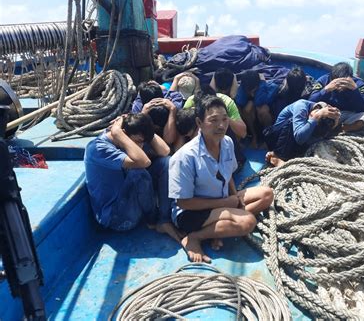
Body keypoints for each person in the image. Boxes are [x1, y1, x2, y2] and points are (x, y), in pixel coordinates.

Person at [169, 95, 274, 263]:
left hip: (222, 198)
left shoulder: (227, 143)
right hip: (191, 213)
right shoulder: (185, 157)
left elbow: (228, 175)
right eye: (213, 120)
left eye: (225, 119)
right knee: (248, 222)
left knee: (267, 194)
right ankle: (195, 237)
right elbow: (183, 203)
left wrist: (234, 198)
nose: (221, 125)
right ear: (199, 123)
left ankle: (218, 230)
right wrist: (226, 203)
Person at [84, 113, 181, 242]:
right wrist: (119, 133)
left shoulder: (127, 136)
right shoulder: (98, 148)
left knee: (166, 162)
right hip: (117, 217)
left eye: (143, 142)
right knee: (138, 172)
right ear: (123, 134)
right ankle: (152, 219)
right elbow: (144, 162)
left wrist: (142, 124)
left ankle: (164, 220)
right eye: (138, 142)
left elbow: (165, 151)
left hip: (131, 200)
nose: (140, 146)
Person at [264, 100, 340, 167]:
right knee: (292, 122)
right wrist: (316, 117)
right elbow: (299, 138)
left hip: (292, 141)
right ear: (316, 107)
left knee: (314, 129)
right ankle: (276, 157)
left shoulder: (316, 115)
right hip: (274, 138)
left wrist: (333, 126)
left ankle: (291, 155)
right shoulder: (301, 105)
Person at [307, 62, 364, 132]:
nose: (339, 84)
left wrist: (355, 91)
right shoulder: (323, 80)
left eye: (343, 81)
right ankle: (324, 128)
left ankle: (339, 129)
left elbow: (362, 108)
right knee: (318, 105)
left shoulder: (359, 84)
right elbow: (310, 101)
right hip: (326, 113)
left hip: (345, 116)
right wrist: (326, 89)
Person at [235, 69, 279, 147]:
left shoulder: (269, 87)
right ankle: (253, 136)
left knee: (263, 110)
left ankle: (267, 139)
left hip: (265, 123)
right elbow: (239, 102)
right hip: (251, 123)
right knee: (246, 108)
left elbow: (260, 101)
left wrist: (261, 85)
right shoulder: (242, 90)